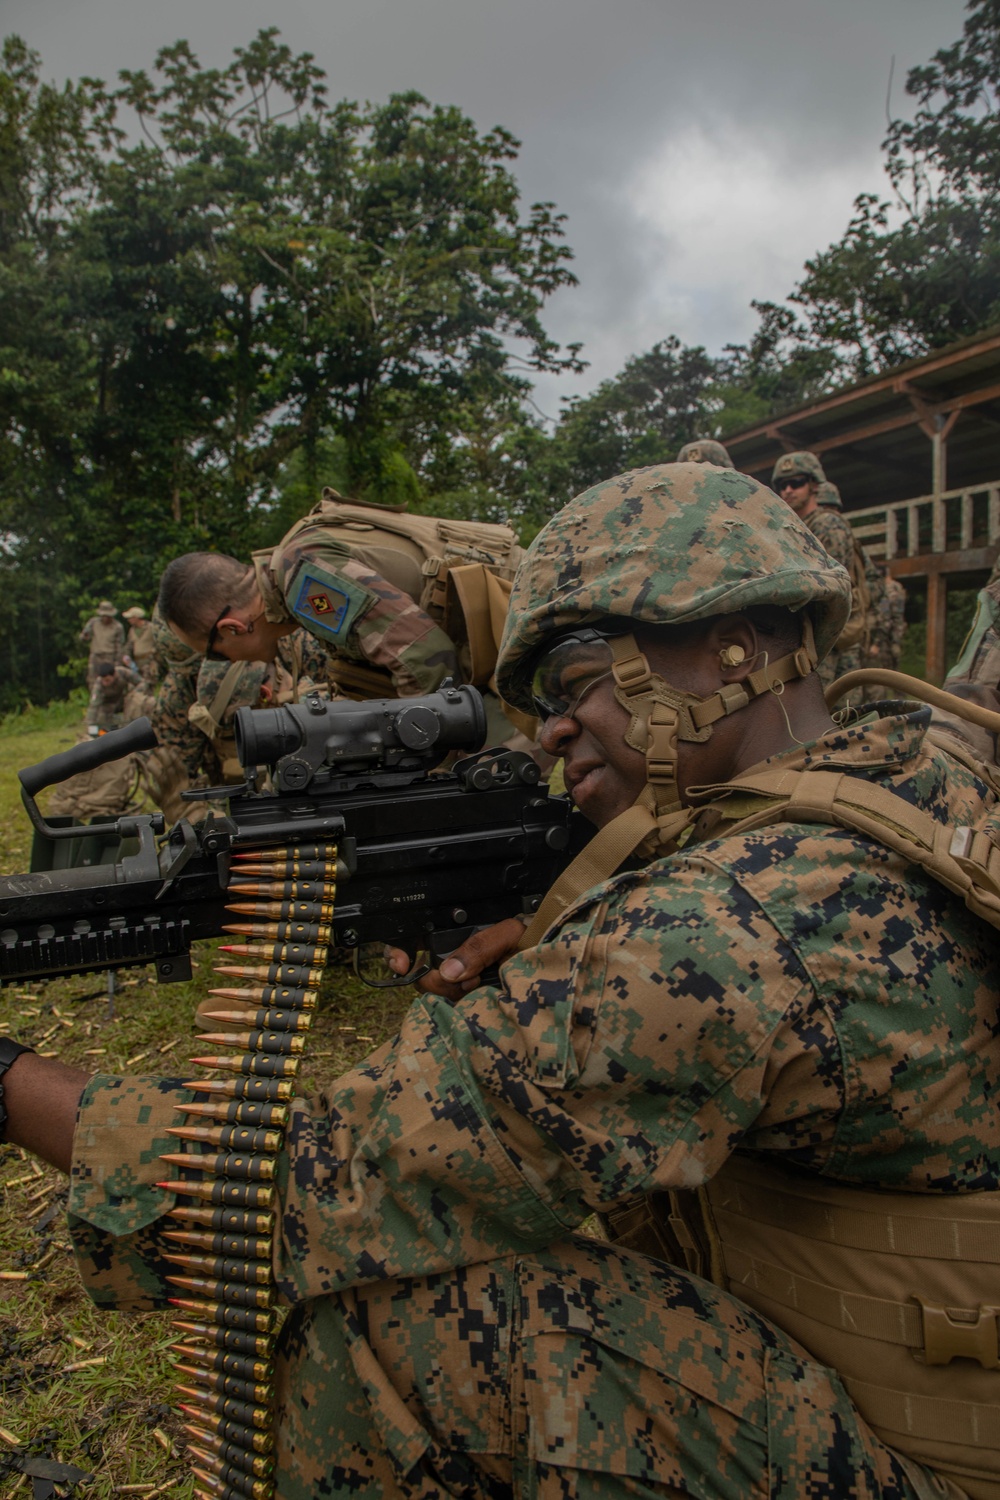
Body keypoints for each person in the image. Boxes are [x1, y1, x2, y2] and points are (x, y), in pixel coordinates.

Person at [5, 462, 1000, 1498]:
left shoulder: (717, 930)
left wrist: (11, 1081)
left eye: (576, 684)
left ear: (733, 646)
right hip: (939, 1365)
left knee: (394, 1325)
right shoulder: (917, 767)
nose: (549, 732)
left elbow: (298, 1183)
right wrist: (546, 921)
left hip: (928, 1462)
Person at [156, 490, 533, 748]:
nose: (229, 663)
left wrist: (431, 758)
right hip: (509, 632)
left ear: (231, 628)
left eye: (216, 654)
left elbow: (425, 660)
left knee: (491, 792)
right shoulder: (296, 573)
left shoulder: (302, 579)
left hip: (530, 619)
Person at [771, 450, 873, 698]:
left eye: (796, 483)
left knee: (835, 713)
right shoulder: (794, 528)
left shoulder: (827, 524)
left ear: (814, 485)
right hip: (809, 636)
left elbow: (832, 588)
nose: (788, 490)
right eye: (783, 485)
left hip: (831, 637)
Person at [85, 660, 140, 734]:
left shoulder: (123, 672)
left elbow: (141, 682)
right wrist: (90, 724)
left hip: (126, 699)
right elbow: (94, 706)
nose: (105, 683)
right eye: (103, 680)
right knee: (101, 720)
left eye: (107, 680)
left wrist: (135, 693)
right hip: (109, 705)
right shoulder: (98, 685)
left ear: (114, 674)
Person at [79, 601, 125, 686]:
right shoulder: (93, 623)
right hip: (95, 655)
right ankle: (94, 697)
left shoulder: (117, 627)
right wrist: (84, 636)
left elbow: (119, 646)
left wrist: (118, 662)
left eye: (108, 616)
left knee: (110, 680)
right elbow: (84, 637)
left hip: (109, 656)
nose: (106, 618)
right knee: (92, 679)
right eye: (104, 616)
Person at [122, 606, 158, 684]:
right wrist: (126, 656)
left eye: (130, 618)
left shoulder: (151, 627)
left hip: (149, 661)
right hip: (136, 663)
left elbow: (158, 643)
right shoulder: (131, 630)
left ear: (136, 618)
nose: (128, 620)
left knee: (149, 684)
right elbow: (129, 645)